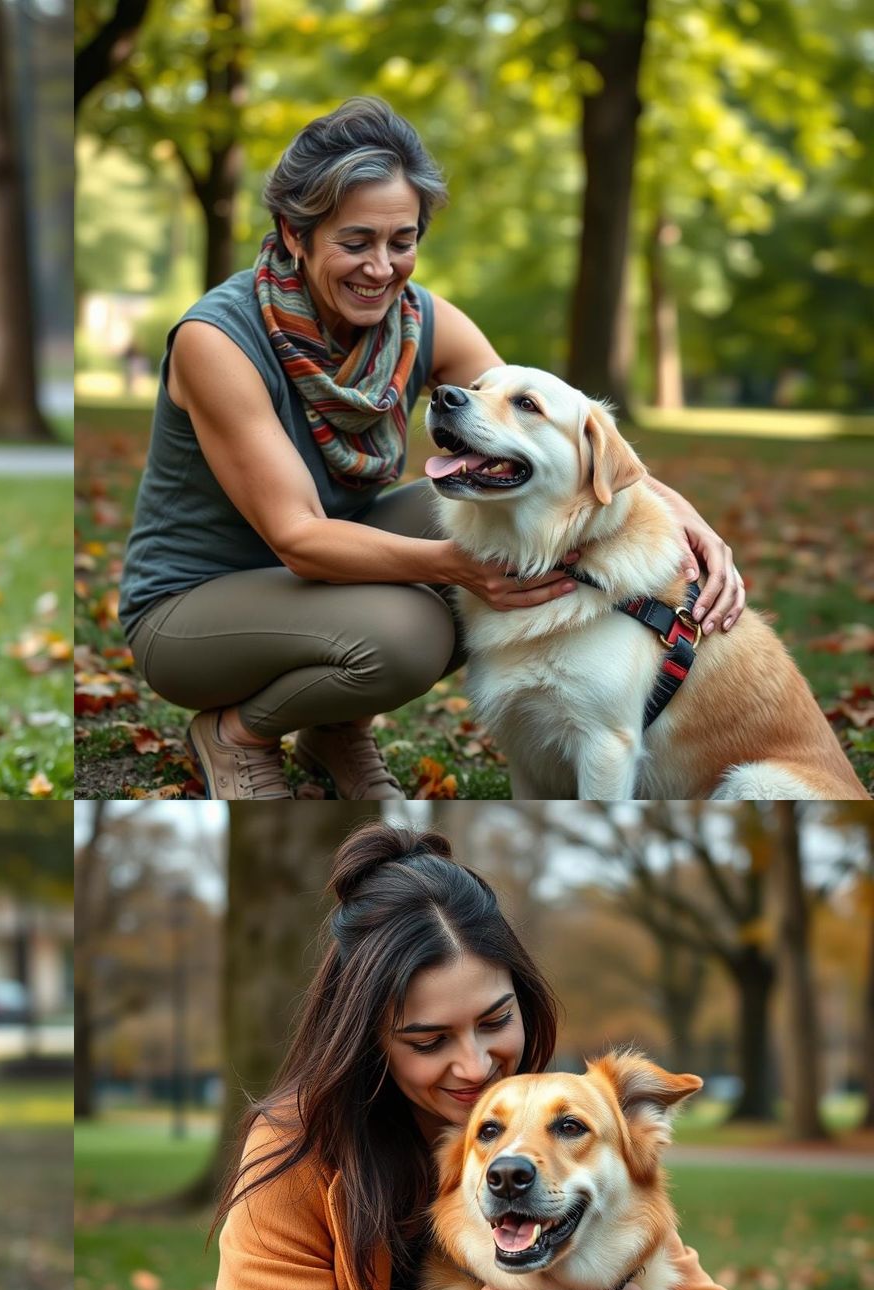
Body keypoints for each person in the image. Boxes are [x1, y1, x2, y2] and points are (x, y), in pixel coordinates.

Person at [117, 823, 765, 1290]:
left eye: (494, 1021)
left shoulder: (572, 1140)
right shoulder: (296, 1153)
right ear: (370, 1038)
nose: (473, 1064)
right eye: (428, 1040)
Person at [117, 98, 747, 800]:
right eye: (355, 242)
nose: (382, 269)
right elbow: (298, 538)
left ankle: (331, 727)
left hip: (318, 584)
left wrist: (689, 520)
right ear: (295, 234)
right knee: (410, 632)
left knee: (513, 521)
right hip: (195, 610)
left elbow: (549, 440)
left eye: (402, 240)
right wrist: (462, 567)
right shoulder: (219, 341)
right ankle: (238, 731)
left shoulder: (417, 320)